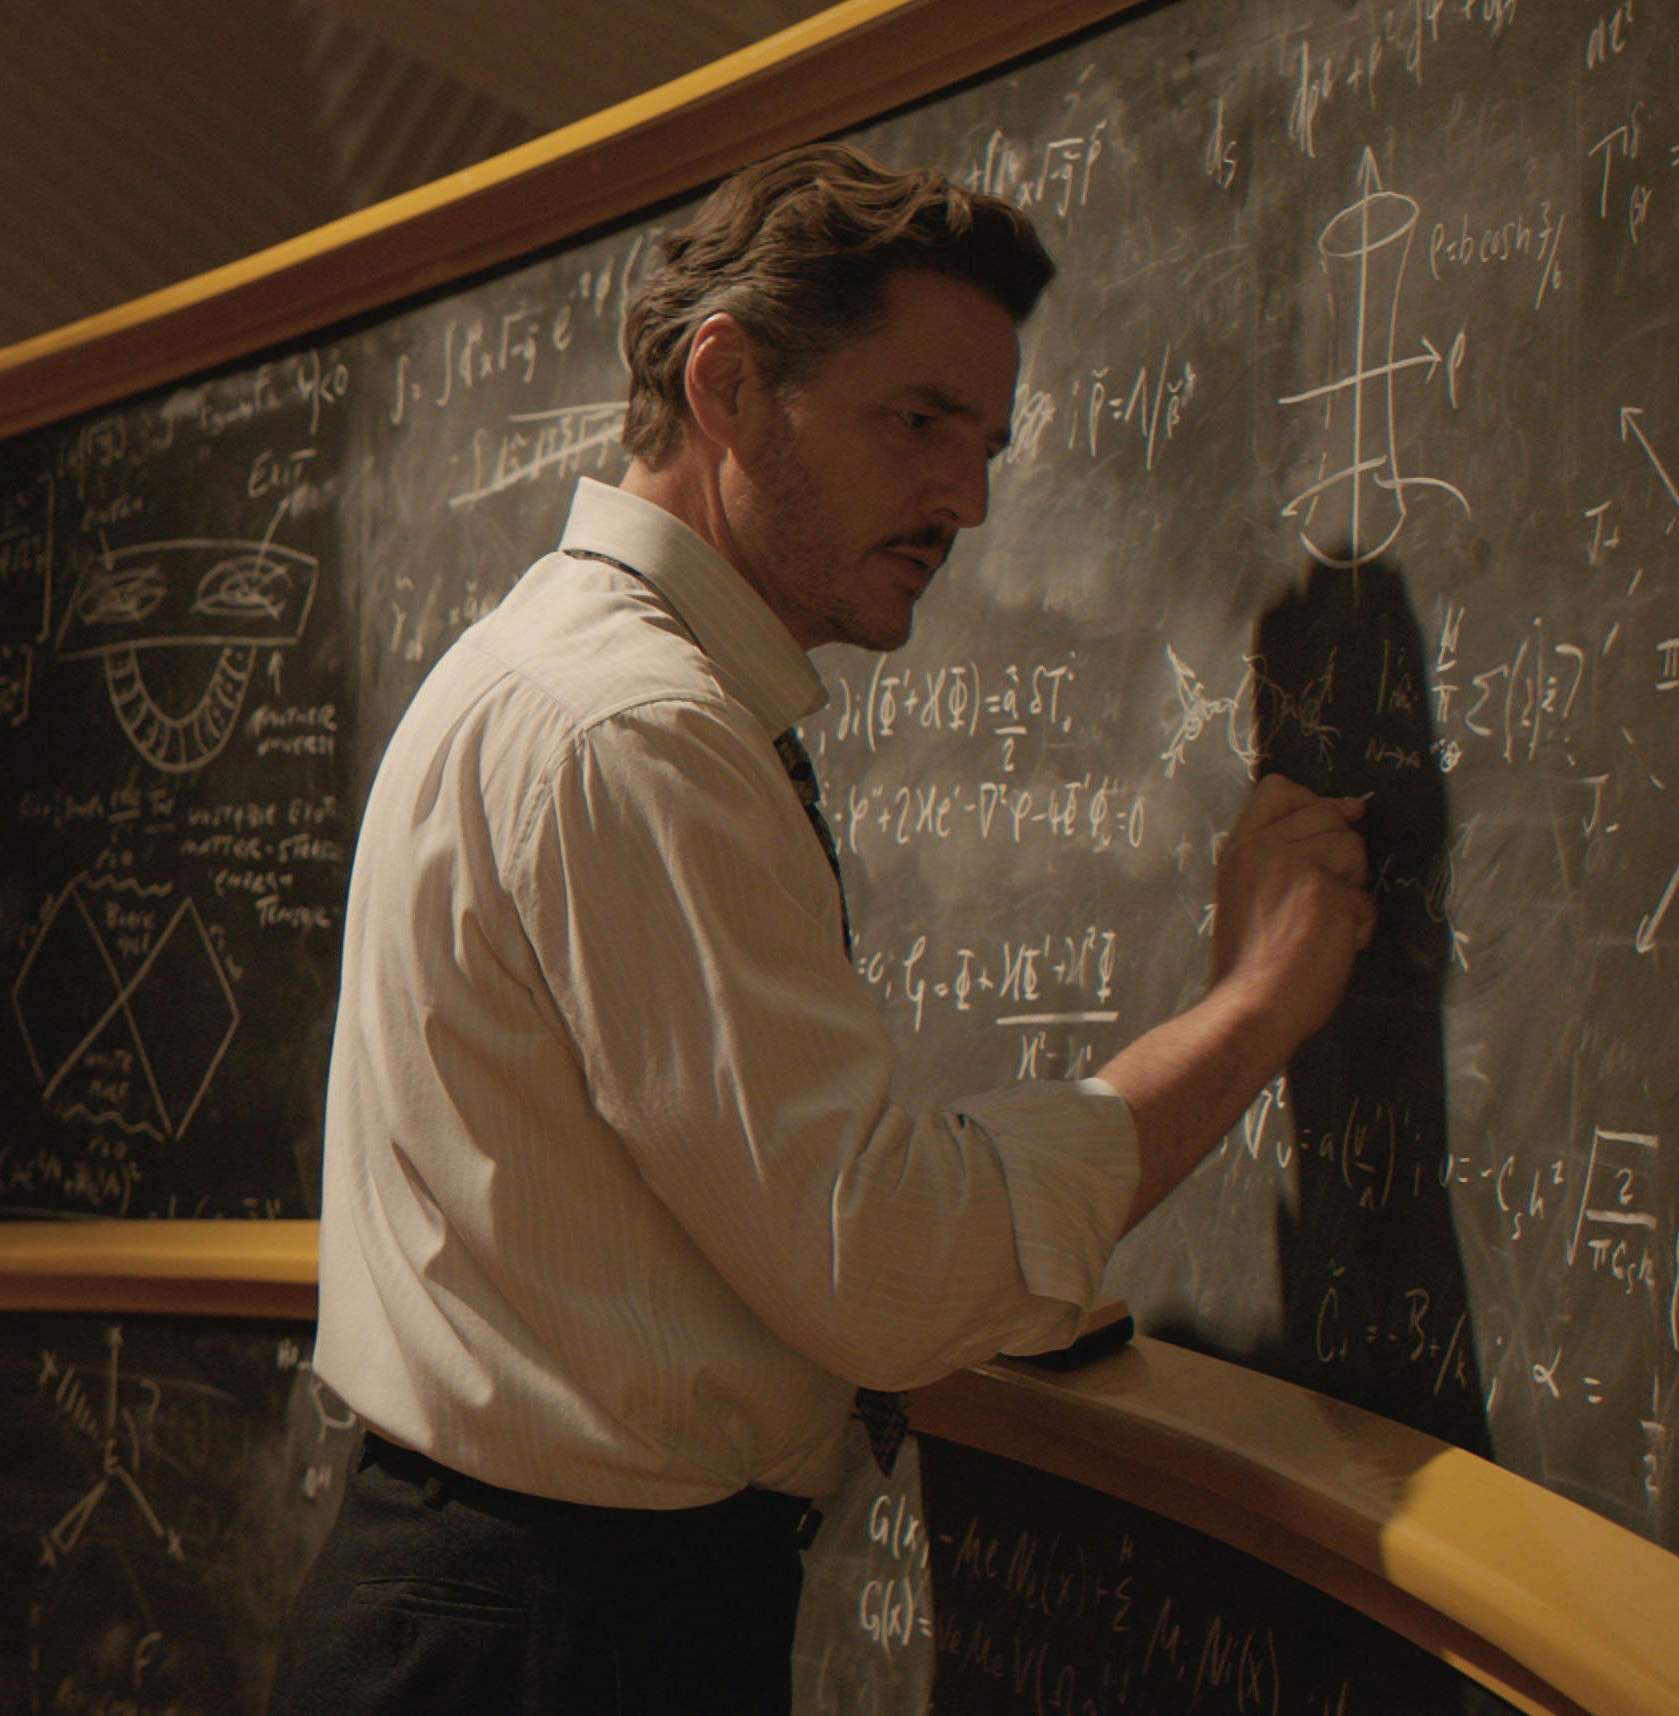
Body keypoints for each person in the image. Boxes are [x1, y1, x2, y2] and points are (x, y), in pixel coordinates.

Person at [267, 142, 1375, 1713]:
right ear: (728, 385)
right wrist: (1254, 1007)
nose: (966, 500)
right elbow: (871, 1266)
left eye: (987, 444)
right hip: (554, 1642)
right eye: (918, 421)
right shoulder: (634, 727)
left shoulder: (560, 669)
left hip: (515, 1607)